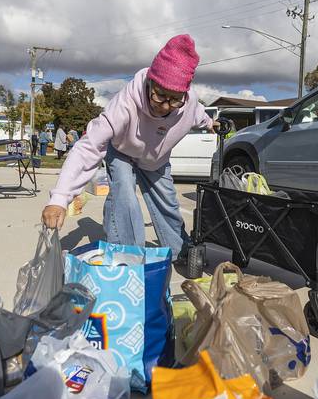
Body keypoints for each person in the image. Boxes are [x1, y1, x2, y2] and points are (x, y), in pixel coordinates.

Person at [41, 34, 215, 260]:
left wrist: (211, 123)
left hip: (156, 160)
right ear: (150, 82)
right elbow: (88, 148)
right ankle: (128, 255)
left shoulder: (189, 101)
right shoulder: (124, 104)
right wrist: (59, 199)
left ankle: (178, 251)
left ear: (185, 94)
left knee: (168, 203)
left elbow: (199, 115)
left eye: (174, 99)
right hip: (122, 151)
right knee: (124, 194)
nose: (165, 106)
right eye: (159, 95)